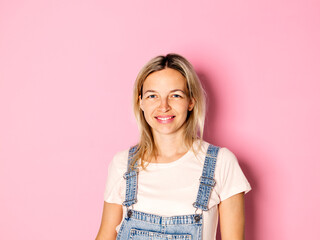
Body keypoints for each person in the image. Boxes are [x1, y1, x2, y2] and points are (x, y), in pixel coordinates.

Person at [95, 53, 251, 240]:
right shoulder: (123, 164)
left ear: (191, 101)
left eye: (175, 95)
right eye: (153, 96)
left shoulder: (221, 163)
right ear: (141, 102)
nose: (163, 106)